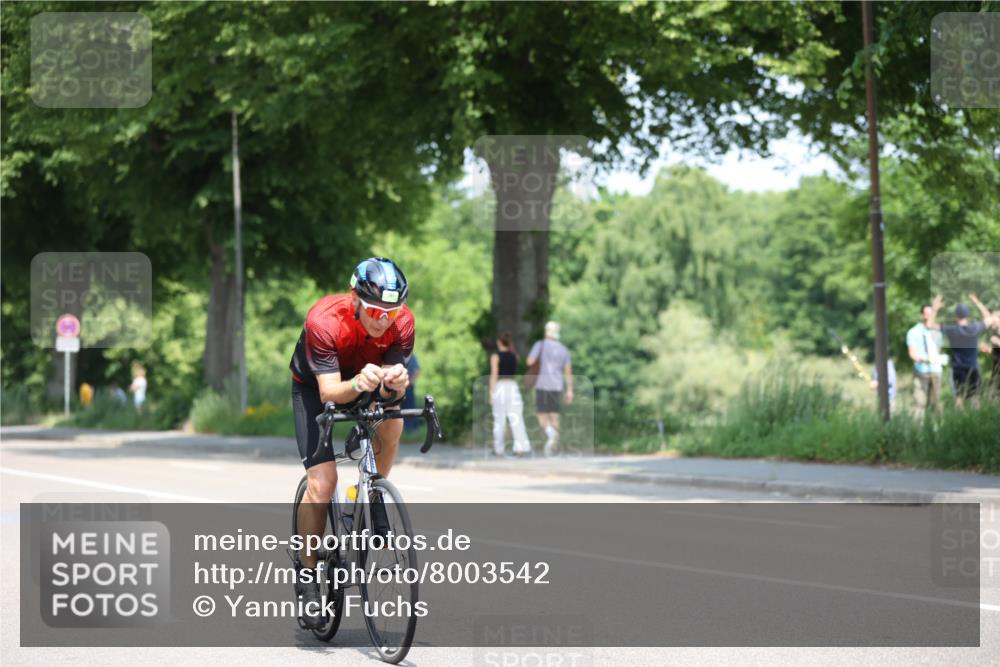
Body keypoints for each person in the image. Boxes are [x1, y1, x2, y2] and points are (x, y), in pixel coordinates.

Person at [288, 257, 413, 629]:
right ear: (354, 298)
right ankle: (308, 575)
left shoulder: (401, 323)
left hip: (365, 380)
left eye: (391, 313)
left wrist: (397, 383)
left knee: (392, 424)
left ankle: (370, 492)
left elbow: (390, 386)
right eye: (375, 310)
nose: (383, 320)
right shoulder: (323, 320)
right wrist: (359, 383)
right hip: (315, 389)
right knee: (322, 483)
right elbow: (330, 391)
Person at [526, 321, 573, 456]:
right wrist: (570, 390)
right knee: (554, 415)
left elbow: (529, 361)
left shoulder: (540, 345)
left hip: (542, 383)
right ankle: (554, 448)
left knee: (541, 414)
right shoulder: (564, 349)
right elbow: (568, 371)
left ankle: (550, 435)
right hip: (557, 385)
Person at [938, 294, 990, 406]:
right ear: (968, 315)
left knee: (958, 398)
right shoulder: (974, 328)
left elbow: (930, 325)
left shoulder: (952, 330)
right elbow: (988, 318)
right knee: (975, 398)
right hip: (972, 366)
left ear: (956, 316)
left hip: (957, 368)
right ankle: (977, 421)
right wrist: (977, 302)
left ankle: (959, 421)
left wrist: (935, 307)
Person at [489, 332, 532, 458]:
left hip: (500, 387)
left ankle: (499, 449)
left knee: (499, 419)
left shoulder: (495, 356)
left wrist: (491, 392)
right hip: (513, 387)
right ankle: (521, 447)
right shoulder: (515, 356)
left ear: (499, 342)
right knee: (517, 418)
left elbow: (494, 374)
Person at [906, 298, 945, 418]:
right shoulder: (914, 332)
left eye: (931, 314)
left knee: (937, 404)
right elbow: (912, 353)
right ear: (922, 315)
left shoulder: (937, 332)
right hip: (921, 371)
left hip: (936, 371)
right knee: (920, 403)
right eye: (927, 314)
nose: (929, 317)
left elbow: (939, 349)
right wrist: (924, 360)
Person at [401, 354, 422, 432]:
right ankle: (405, 429)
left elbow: (417, 371)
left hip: (408, 388)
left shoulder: (412, 357)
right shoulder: (398, 356)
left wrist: (409, 383)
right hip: (399, 387)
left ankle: (412, 428)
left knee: (410, 407)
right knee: (401, 408)